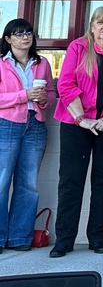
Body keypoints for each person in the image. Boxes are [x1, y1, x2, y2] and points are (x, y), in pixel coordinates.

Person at [50, 7, 103, 257]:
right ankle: (64, 240)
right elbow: (65, 85)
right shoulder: (78, 47)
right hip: (76, 124)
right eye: (99, 22)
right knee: (70, 183)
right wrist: (81, 119)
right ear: (92, 26)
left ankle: (97, 237)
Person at [0, 19, 55, 252]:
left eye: (28, 33)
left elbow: (52, 93)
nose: (25, 37)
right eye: (19, 33)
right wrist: (24, 95)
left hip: (35, 124)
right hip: (7, 125)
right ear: (8, 39)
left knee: (28, 184)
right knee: (1, 182)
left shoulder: (42, 63)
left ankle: (20, 237)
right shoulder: (2, 64)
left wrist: (44, 99)